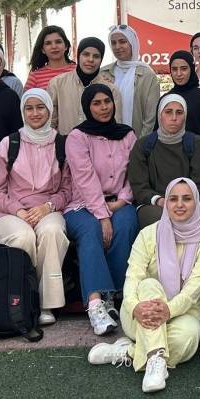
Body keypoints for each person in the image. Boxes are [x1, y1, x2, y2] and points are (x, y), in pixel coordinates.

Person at [87, 178, 200, 394]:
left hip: (187, 312)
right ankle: (156, 359)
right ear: (166, 203)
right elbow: (133, 278)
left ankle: (128, 351)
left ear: (196, 202)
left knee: (187, 337)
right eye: (173, 199)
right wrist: (134, 306)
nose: (179, 205)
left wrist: (168, 310)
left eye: (187, 199)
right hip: (141, 313)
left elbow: (194, 290)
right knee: (148, 284)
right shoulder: (148, 234)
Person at [0, 89, 72, 326]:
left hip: (48, 209)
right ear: (22, 112)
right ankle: (21, 300)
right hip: (9, 211)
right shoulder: (9, 144)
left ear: (49, 110)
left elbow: (68, 190)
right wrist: (19, 211)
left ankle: (46, 304)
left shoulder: (61, 144)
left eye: (40, 107)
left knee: (52, 232)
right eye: (29, 108)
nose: (35, 113)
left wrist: (48, 207)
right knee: (23, 237)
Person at [64, 84, 141, 336]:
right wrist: (103, 215)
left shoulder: (127, 135)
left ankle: (114, 297)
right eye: (96, 103)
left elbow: (135, 173)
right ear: (87, 107)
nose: (103, 108)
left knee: (126, 224)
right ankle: (96, 304)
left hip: (120, 201)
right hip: (82, 205)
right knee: (90, 230)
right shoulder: (77, 137)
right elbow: (84, 179)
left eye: (107, 102)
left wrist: (122, 201)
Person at [128, 94, 200, 228]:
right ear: (160, 115)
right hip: (153, 204)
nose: (174, 118)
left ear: (185, 116)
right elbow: (139, 185)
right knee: (160, 220)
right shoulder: (143, 145)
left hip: (188, 201)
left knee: (185, 216)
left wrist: (180, 201)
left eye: (179, 113)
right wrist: (160, 200)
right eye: (168, 112)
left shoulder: (196, 144)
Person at [48, 37, 122, 135]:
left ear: (101, 60)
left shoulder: (111, 90)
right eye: (86, 54)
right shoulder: (57, 84)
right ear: (78, 55)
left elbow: (115, 125)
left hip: (100, 143)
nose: (90, 59)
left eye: (96, 56)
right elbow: (50, 123)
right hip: (64, 143)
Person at [101, 24, 160, 137]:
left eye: (122, 41)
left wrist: (140, 144)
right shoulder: (103, 73)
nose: (117, 46)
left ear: (132, 43)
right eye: (113, 43)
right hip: (107, 140)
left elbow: (151, 117)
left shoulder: (147, 75)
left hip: (137, 139)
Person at [166, 50, 200, 140]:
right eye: (174, 69)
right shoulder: (166, 99)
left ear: (192, 69)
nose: (179, 74)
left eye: (184, 69)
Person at [24, 25, 76, 91]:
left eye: (58, 42)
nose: (54, 46)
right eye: (48, 43)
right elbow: (27, 97)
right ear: (43, 49)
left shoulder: (77, 70)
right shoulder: (35, 76)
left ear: (66, 46)